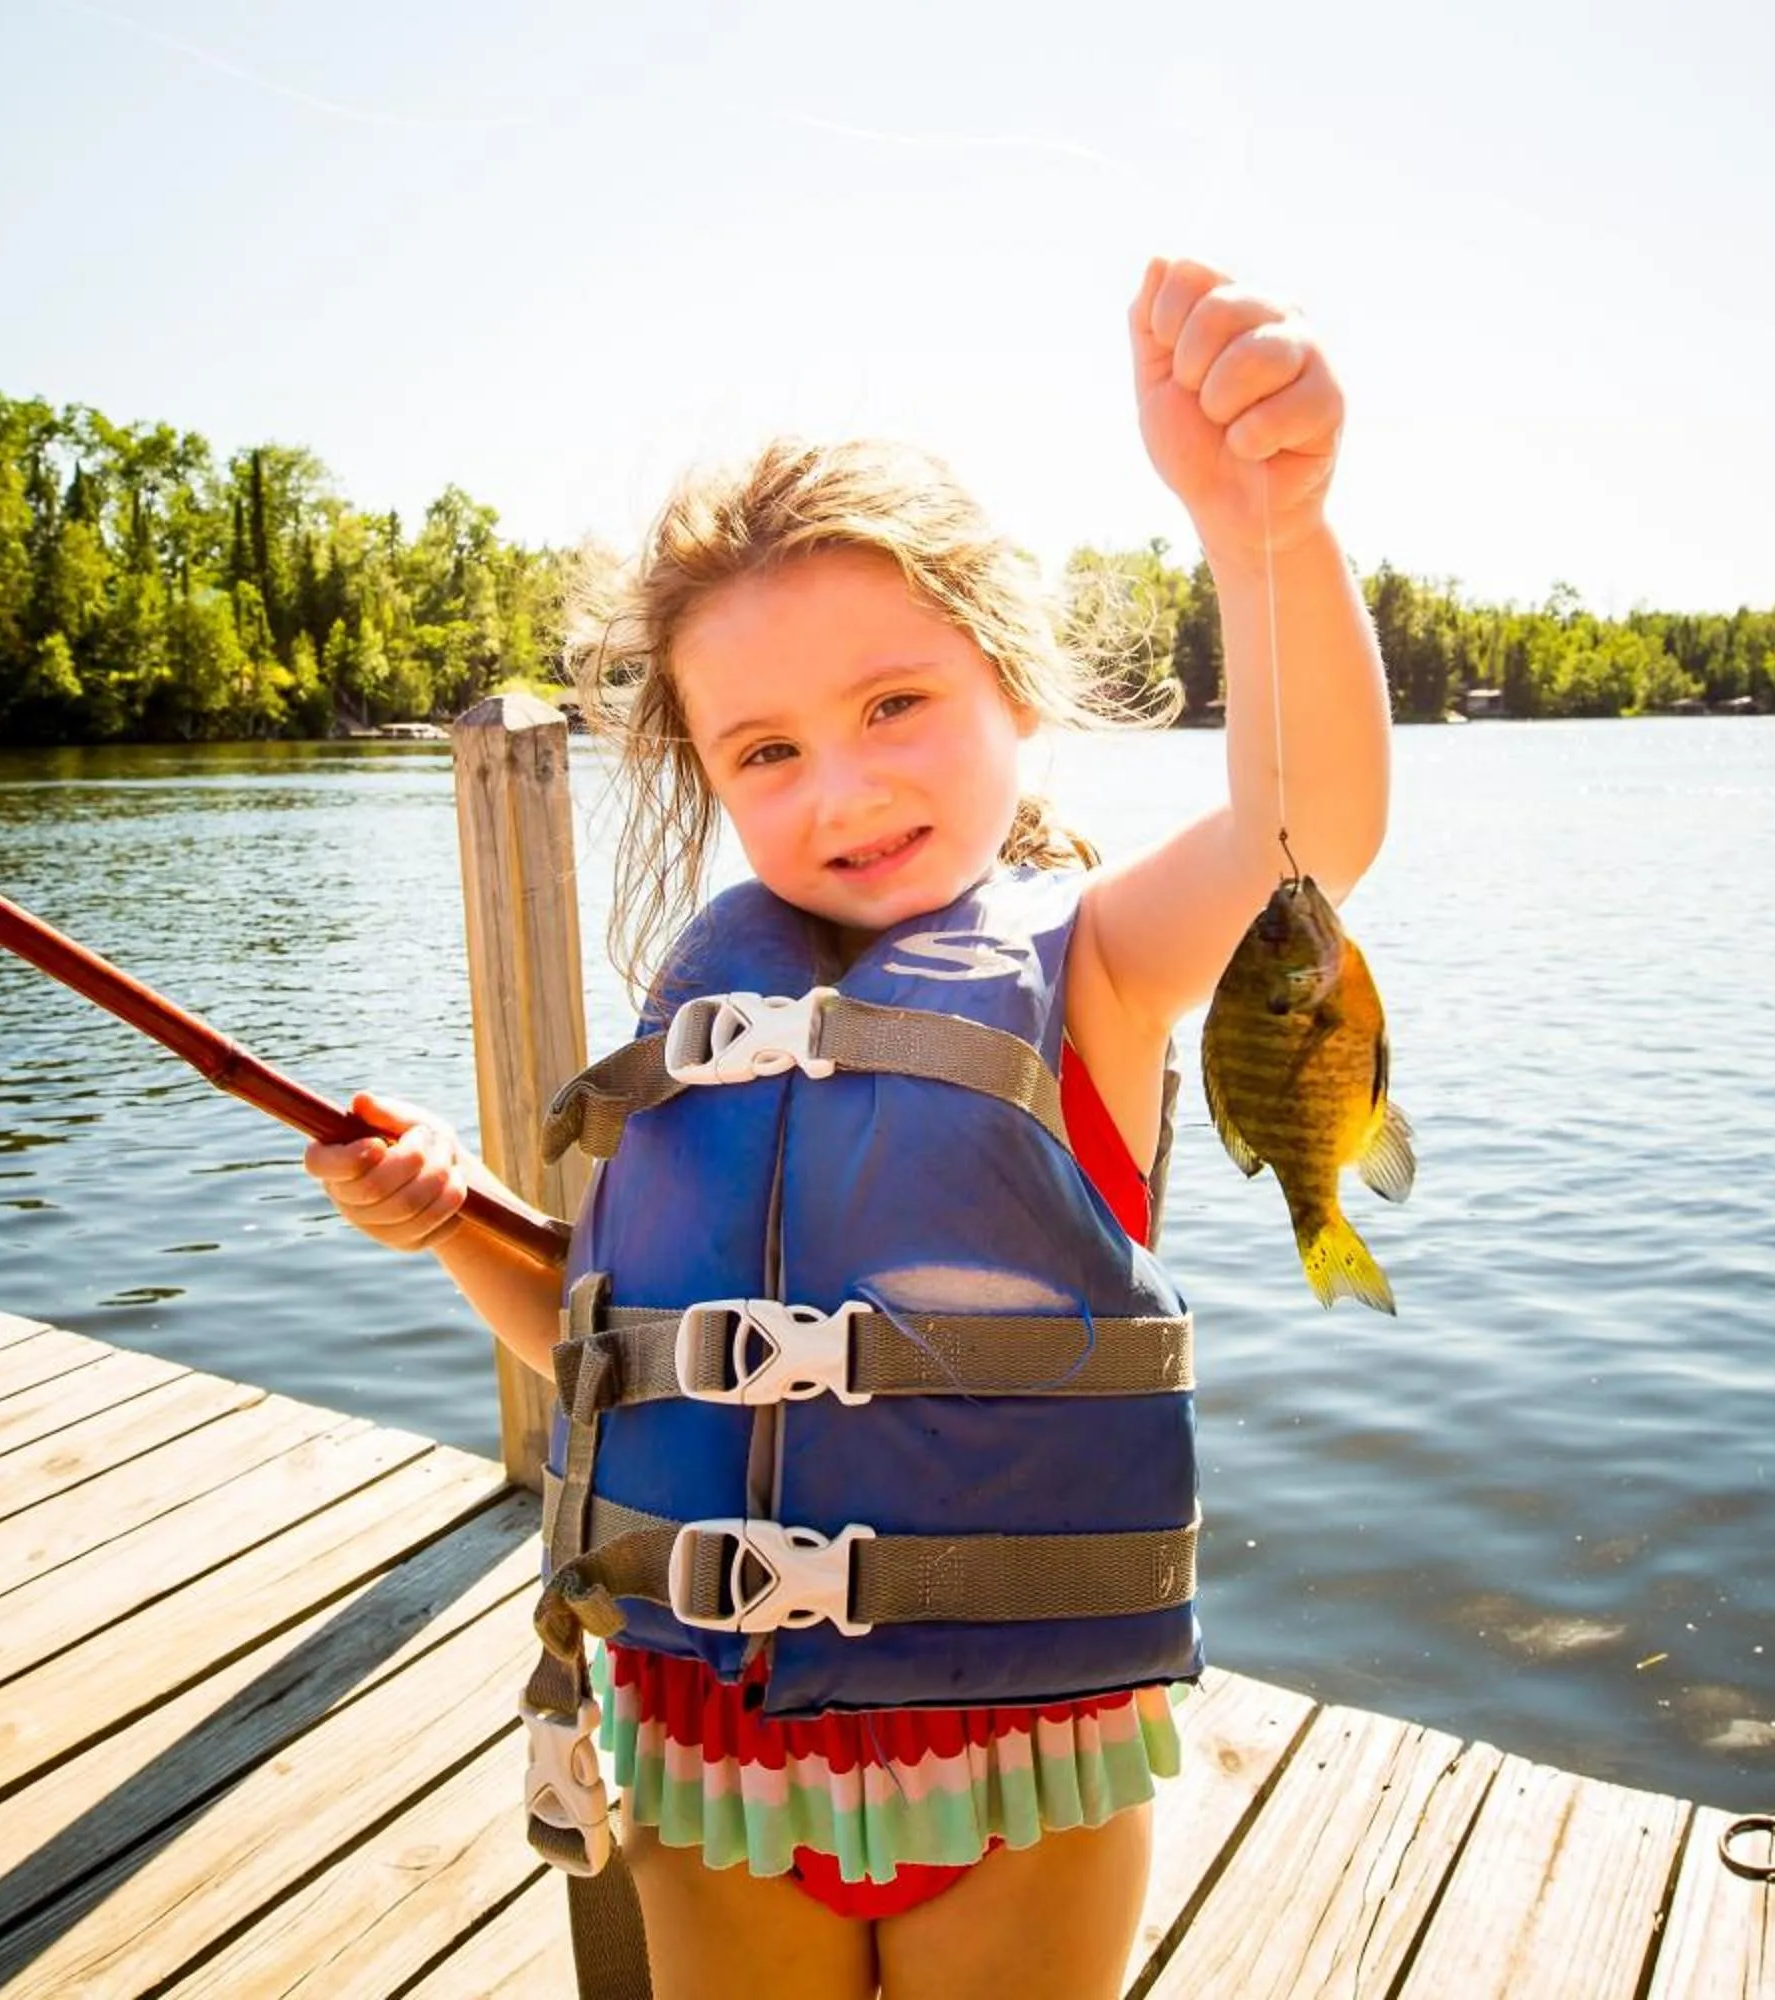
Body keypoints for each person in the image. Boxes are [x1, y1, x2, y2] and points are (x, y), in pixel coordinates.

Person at [305, 255, 1390, 2000]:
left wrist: (1266, 530)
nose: (844, 789)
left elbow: (1306, 823)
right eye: (767, 751)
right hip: (704, 1752)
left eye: (896, 706)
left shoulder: (1097, 970)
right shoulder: (710, 1018)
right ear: (710, 776)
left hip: (1013, 1765)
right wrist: (448, 1221)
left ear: (1015, 693)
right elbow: (609, 1352)